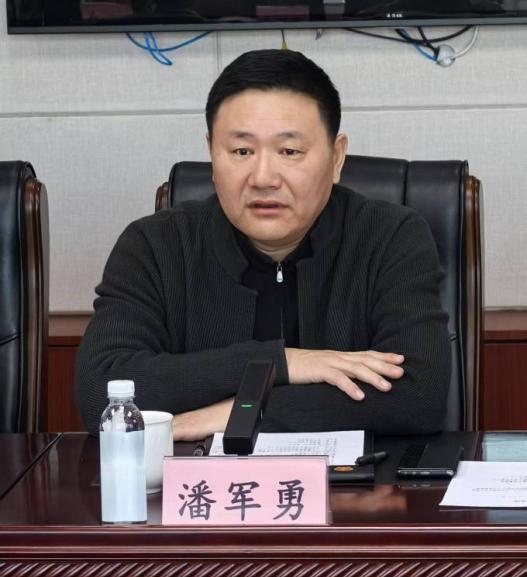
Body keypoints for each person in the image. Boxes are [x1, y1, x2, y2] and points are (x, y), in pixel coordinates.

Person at [75, 49, 451, 438]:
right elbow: (101, 391)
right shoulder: (156, 246)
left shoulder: (389, 238)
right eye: (241, 151)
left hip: (359, 478)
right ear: (211, 153)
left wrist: (237, 414)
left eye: (289, 151)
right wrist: (280, 363)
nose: (263, 177)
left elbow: (418, 394)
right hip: (196, 477)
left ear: (336, 158)